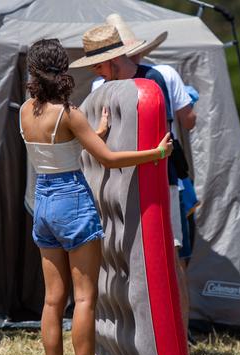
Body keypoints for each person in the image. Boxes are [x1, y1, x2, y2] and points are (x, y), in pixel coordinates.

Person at [21, 38, 173, 355]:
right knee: (86, 298)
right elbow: (109, 160)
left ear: (33, 72)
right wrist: (157, 153)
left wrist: (95, 131)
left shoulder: (25, 111)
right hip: (72, 201)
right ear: (61, 70)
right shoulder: (69, 114)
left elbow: (60, 149)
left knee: (52, 301)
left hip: (43, 202)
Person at [77, 17, 197, 336]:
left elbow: (164, 141)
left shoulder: (154, 81)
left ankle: (178, 338)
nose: (95, 73)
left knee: (169, 258)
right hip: (121, 185)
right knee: (129, 261)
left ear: (113, 60)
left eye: (98, 66)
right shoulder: (102, 89)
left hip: (160, 183)